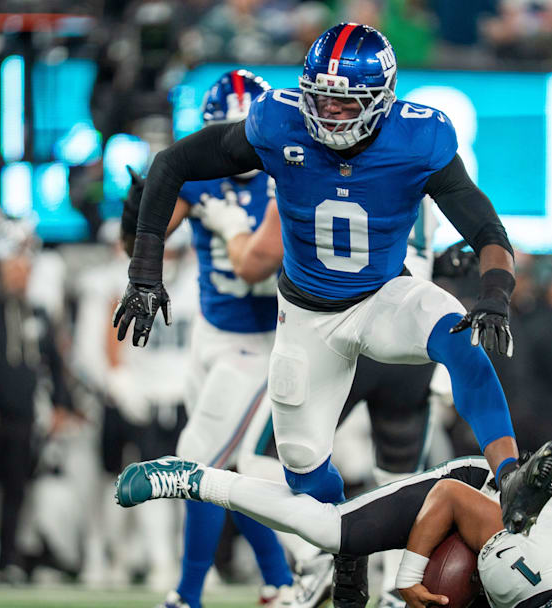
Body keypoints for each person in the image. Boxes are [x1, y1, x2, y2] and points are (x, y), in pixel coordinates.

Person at [115, 24, 525, 607]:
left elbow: (485, 225)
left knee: (462, 335)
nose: (329, 111)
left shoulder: (419, 138)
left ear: (380, 100)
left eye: (345, 99)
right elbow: (173, 162)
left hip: (385, 298)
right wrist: (144, 271)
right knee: (303, 473)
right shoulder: (276, 123)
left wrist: (495, 293)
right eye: (321, 95)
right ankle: (344, 554)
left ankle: (511, 478)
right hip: (307, 319)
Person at [123, 70, 303, 608]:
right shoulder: (199, 175)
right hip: (210, 333)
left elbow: (254, 266)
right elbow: (139, 238)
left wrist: (227, 227)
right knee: (221, 470)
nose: (232, 146)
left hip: (259, 340)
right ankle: (280, 582)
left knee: (195, 462)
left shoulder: (285, 178)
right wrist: (137, 209)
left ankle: (187, 594)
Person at [113, 442, 552, 608]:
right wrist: (408, 579)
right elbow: (447, 498)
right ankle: (193, 477)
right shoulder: (523, 570)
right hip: (470, 492)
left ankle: (350, 571)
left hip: (530, 539)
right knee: (337, 530)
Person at [0, 221, 74, 580]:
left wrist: (61, 405)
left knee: (15, 492)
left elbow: (54, 363)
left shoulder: (38, 314)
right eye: (13, 269)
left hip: (23, 417)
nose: (19, 276)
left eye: (23, 269)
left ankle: (6, 558)